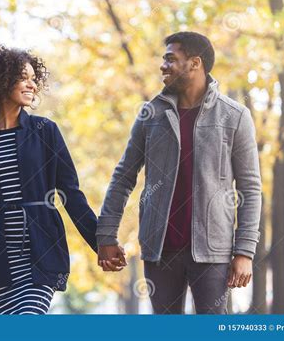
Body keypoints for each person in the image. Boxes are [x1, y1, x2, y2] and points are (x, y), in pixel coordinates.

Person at [96, 32, 262, 314]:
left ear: (194, 63)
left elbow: (250, 187)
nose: (163, 66)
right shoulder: (151, 114)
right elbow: (123, 176)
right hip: (159, 251)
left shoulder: (234, 116)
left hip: (213, 252)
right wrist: (106, 236)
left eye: (171, 60)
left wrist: (245, 251)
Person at [0, 43, 97, 314]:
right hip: (0, 260)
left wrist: (100, 241)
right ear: (2, 81)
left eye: (33, 79)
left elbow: (71, 193)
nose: (32, 85)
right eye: (23, 78)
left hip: (41, 253)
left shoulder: (45, 131)